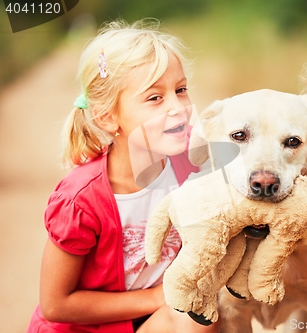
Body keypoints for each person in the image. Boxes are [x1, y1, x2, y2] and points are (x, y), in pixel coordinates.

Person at [26, 19, 220, 333]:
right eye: (155, 98)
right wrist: (161, 296)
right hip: (92, 328)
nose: (177, 107)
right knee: (190, 318)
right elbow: (56, 304)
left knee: (208, 314)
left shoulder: (192, 161)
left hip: (155, 320)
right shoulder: (81, 200)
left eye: (180, 90)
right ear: (108, 118)